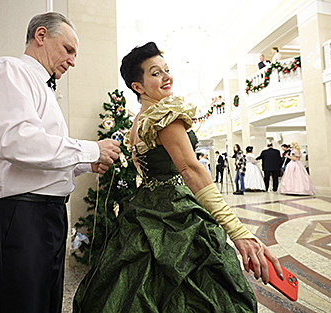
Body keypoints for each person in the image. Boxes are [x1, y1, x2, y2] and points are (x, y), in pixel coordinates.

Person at [73, 42, 282, 312]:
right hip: (175, 212)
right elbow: (190, 170)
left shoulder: (139, 121)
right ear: (138, 86)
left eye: (167, 70)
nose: (167, 76)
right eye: (155, 73)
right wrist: (239, 232)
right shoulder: (163, 117)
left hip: (146, 209)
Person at [0, 12, 121, 313]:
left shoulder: (42, 87)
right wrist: (90, 150)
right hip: (18, 215)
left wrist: (86, 163)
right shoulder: (8, 70)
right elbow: (16, 142)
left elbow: (39, 158)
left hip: (45, 216)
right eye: (69, 50)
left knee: (45, 306)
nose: (73, 61)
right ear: (42, 35)